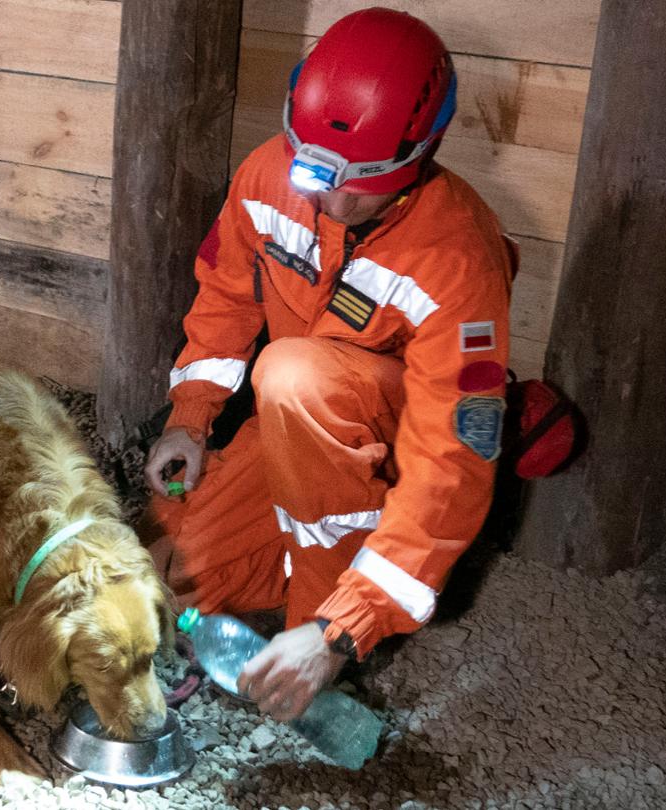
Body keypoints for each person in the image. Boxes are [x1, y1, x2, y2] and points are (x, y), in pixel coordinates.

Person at [145, 7, 516, 724]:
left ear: (419, 159)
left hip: (385, 438)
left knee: (292, 376)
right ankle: (305, 579)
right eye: (316, 169)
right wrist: (189, 420)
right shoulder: (267, 177)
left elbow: (449, 460)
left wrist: (340, 629)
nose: (333, 198)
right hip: (299, 423)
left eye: (366, 181)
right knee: (181, 571)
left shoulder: (459, 257)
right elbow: (224, 299)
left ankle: (324, 621)